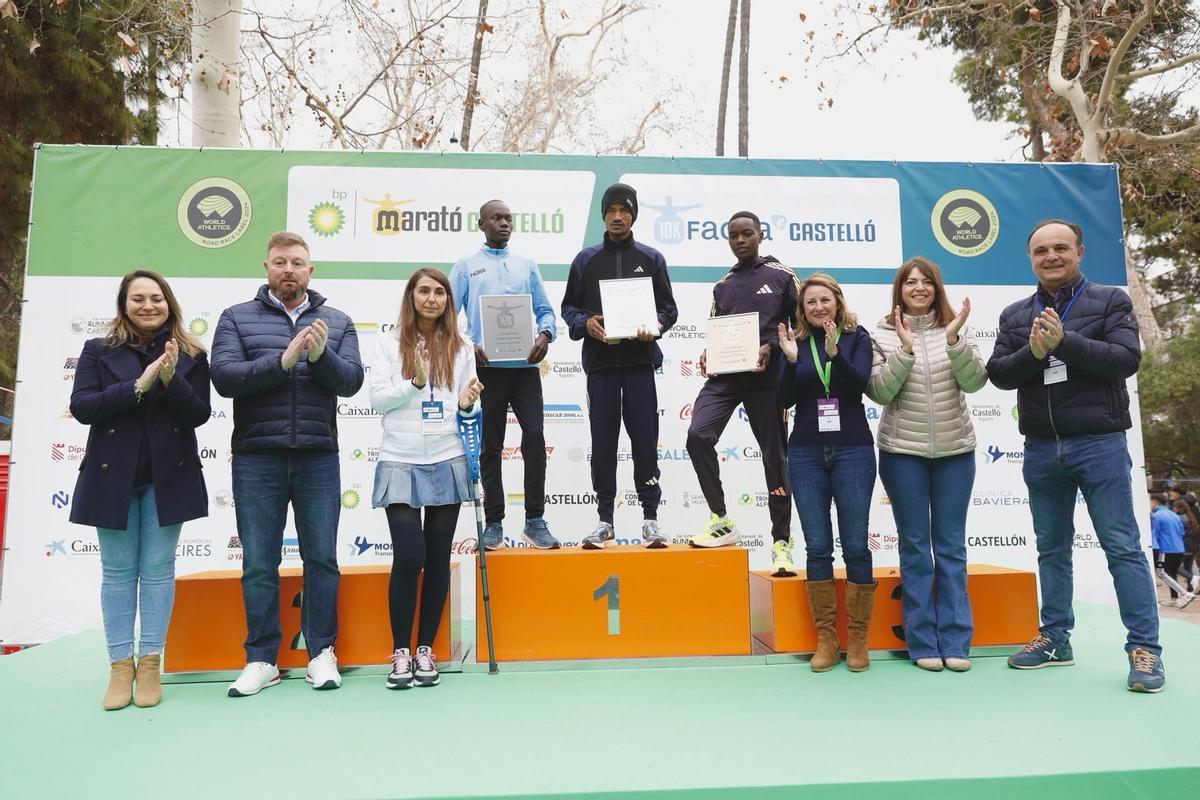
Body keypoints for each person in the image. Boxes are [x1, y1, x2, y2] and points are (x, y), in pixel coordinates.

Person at [987, 219, 1164, 692]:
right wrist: (1035, 350)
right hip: (1042, 448)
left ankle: (1144, 649)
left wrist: (1065, 342)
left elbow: (1125, 359)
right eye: (1041, 250)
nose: (1051, 256)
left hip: (1100, 443)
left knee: (1123, 548)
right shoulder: (1014, 314)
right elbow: (1000, 374)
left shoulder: (1110, 301)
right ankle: (1055, 638)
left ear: (1079, 251)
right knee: (1051, 550)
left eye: (1060, 248)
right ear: (1031, 258)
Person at [211, 231, 364, 697]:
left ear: (310, 270)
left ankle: (321, 653)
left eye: (297, 262)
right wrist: (281, 362)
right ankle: (262, 658)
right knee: (259, 563)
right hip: (258, 457)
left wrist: (319, 357)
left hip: (318, 455)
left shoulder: (336, 321)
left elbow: (352, 381)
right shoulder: (236, 318)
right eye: (280, 262)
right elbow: (224, 377)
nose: (289, 270)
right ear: (266, 267)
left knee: (322, 559)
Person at [69, 270, 210, 710]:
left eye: (156, 298)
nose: (148, 306)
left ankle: (150, 663)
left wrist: (170, 379)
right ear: (123, 304)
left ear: (169, 303)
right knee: (116, 573)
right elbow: (82, 407)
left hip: (169, 477)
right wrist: (137, 385)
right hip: (112, 477)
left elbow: (200, 414)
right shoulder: (98, 350)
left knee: (157, 570)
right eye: (138, 299)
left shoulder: (190, 354)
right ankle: (119, 666)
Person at [866, 257, 987, 672]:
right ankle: (922, 643)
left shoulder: (958, 327)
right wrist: (903, 348)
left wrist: (954, 341)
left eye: (926, 282)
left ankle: (955, 641)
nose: (918, 288)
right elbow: (880, 392)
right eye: (910, 282)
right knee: (916, 548)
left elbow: (974, 382)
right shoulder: (880, 333)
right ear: (899, 289)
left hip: (956, 452)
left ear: (937, 288)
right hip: (903, 453)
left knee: (951, 547)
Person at [371, 268, 482, 689]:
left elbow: (465, 408)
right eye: (424, 291)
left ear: (448, 300)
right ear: (411, 296)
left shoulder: (462, 347)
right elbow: (378, 400)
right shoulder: (388, 342)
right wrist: (414, 382)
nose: (432, 298)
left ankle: (424, 650)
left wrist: (468, 405)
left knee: (437, 557)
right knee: (410, 554)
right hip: (399, 459)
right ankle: (400, 650)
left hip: (447, 456)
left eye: (439, 292)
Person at [561, 183, 678, 548]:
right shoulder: (585, 260)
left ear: (632, 215)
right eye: (610, 210)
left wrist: (655, 326)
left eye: (623, 210)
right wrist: (585, 324)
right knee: (604, 443)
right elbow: (569, 308)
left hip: (639, 364)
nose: (616, 216)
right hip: (601, 366)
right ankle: (605, 519)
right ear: (603, 215)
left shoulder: (651, 258)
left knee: (645, 441)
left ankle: (650, 519)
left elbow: (669, 310)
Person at [686, 211, 798, 574]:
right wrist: (708, 353)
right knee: (697, 434)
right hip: (728, 376)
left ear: (760, 235)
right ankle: (720, 518)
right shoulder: (723, 285)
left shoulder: (782, 276)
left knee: (774, 456)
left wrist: (773, 347)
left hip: (768, 377)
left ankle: (781, 542)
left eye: (746, 233)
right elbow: (720, 330)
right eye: (733, 235)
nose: (740, 240)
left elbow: (802, 326)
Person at [778, 273, 877, 672]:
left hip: (852, 449)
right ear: (802, 308)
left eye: (825, 300)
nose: (818, 307)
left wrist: (837, 353)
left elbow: (858, 388)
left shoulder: (858, 337)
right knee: (817, 546)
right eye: (810, 302)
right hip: (805, 452)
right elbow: (784, 400)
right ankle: (826, 637)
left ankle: (857, 639)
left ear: (838, 301)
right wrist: (787, 362)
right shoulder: (796, 342)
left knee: (855, 545)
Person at [449, 199, 558, 551]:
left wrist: (546, 336)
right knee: (490, 446)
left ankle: (535, 520)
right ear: (481, 224)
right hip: (487, 371)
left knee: (535, 440)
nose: (504, 223)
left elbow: (545, 311)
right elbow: (449, 316)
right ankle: (494, 522)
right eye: (496, 218)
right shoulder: (466, 266)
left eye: (509, 218)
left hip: (525, 370)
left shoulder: (526, 265)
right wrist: (469, 343)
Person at [1150, 494, 1193, 608]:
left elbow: (1154, 534)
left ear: (1155, 502)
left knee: (1162, 573)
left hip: (1165, 549)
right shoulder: (1174, 515)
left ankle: (1185, 594)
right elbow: (1182, 532)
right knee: (1171, 574)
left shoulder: (1156, 516)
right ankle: (1175, 599)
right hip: (1179, 548)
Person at [1173, 497, 1200, 594]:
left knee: (1174, 567)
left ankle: (1193, 578)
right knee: (1188, 567)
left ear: (1177, 507)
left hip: (1184, 547)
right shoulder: (1191, 516)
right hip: (1193, 547)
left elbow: (1179, 533)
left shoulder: (1180, 518)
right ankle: (1191, 587)